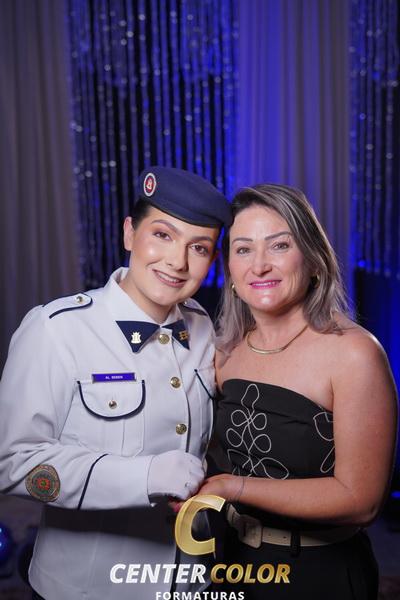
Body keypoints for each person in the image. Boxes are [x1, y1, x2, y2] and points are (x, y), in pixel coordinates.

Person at [0, 166, 232, 600]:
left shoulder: (201, 326)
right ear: (129, 233)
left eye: (198, 247)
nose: (177, 262)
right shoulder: (56, 329)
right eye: (162, 235)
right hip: (89, 590)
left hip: (189, 582)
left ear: (212, 260)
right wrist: (144, 476)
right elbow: (11, 464)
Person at [198, 184, 397, 599]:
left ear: (313, 259)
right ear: (230, 270)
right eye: (243, 249)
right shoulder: (224, 352)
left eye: (279, 245)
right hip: (233, 562)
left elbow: (361, 500)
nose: (260, 265)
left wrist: (231, 487)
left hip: (317, 574)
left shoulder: (354, 353)